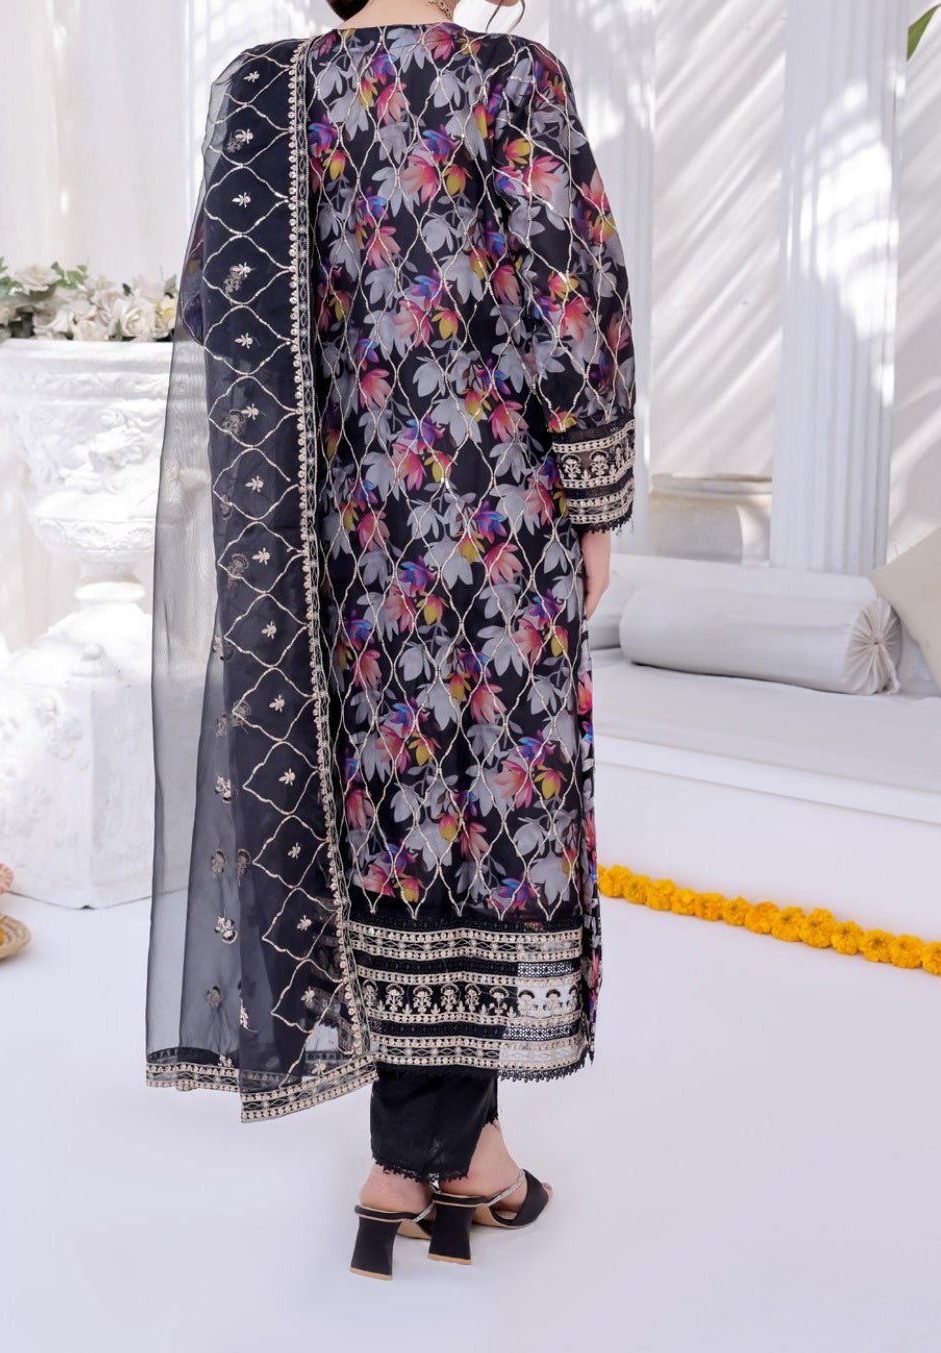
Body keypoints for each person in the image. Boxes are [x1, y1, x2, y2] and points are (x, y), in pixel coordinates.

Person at [145, 0, 636, 1281]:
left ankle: (441, 1152)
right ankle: (430, 1155)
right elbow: (569, 300)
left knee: (387, 820)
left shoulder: (269, 93)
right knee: (481, 818)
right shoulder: (510, 77)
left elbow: (224, 324)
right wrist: (592, 499)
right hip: (495, 522)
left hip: (339, 527)